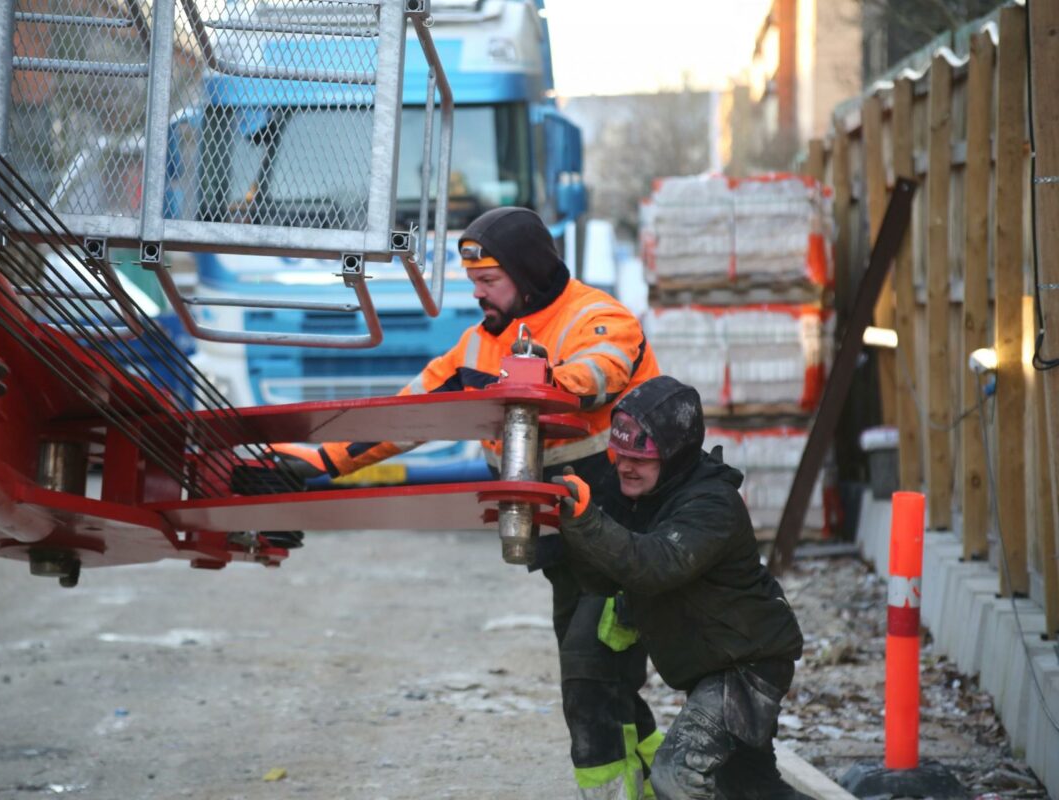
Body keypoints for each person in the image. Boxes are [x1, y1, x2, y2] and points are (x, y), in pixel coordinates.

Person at [269, 206, 664, 797]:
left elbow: (598, 372)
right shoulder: (478, 347)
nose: (478, 295)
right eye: (473, 282)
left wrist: (537, 381)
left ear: (528, 275)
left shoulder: (597, 317)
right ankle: (679, 781)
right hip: (565, 546)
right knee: (609, 685)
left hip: (627, 541)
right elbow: (406, 416)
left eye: (488, 282)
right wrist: (311, 463)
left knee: (587, 678)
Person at [552, 375, 809, 800]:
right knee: (750, 789)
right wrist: (562, 527)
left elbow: (654, 565)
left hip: (748, 668)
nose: (626, 466)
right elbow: (604, 577)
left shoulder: (711, 505)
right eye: (621, 454)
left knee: (674, 777)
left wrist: (586, 521)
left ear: (675, 455)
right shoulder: (642, 498)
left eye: (643, 457)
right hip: (714, 666)